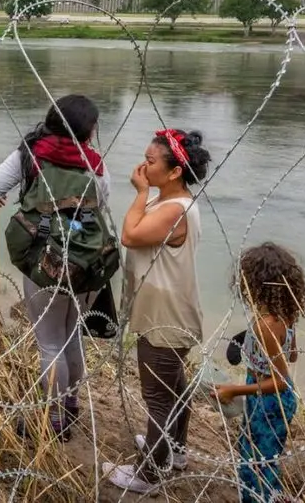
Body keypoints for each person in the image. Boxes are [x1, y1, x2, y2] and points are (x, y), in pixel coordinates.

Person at [0, 94, 111, 441]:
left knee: (49, 343)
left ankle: (52, 420)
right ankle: (70, 406)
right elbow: (103, 202)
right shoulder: (93, 161)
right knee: (71, 337)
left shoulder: (31, 154)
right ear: (86, 130)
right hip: (87, 261)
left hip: (45, 262)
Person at [104, 128, 211, 493]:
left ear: (174, 171)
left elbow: (130, 236)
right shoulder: (173, 203)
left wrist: (140, 192)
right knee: (173, 388)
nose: (142, 166)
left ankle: (149, 472)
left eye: (151, 162)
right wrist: (147, 194)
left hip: (165, 314)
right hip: (166, 308)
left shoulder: (173, 210)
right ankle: (175, 451)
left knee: (158, 398)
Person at [214, 242, 305, 503]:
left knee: (255, 467)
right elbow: (292, 356)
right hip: (271, 400)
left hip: (269, 401)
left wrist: (234, 390)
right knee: (263, 460)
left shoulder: (266, 325)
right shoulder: (286, 316)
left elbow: (277, 382)